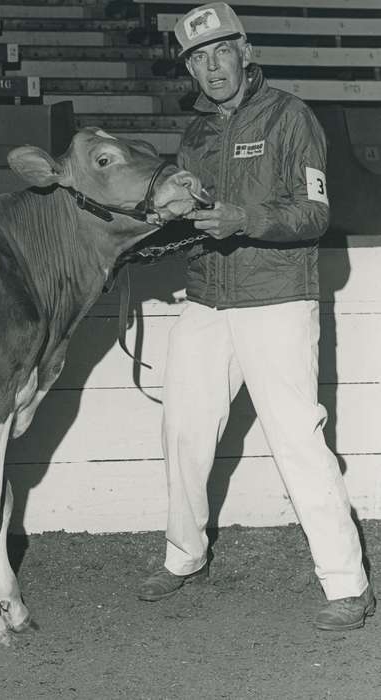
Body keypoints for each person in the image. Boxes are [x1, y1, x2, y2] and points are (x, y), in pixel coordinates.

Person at [136, 2, 374, 631]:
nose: (211, 68)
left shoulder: (292, 116)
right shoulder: (195, 135)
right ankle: (185, 556)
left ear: (245, 50)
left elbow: (316, 214)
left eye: (220, 52)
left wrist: (245, 219)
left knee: (298, 439)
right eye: (197, 58)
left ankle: (348, 584)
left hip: (277, 299)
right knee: (182, 431)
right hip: (207, 300)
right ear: (188, 68)